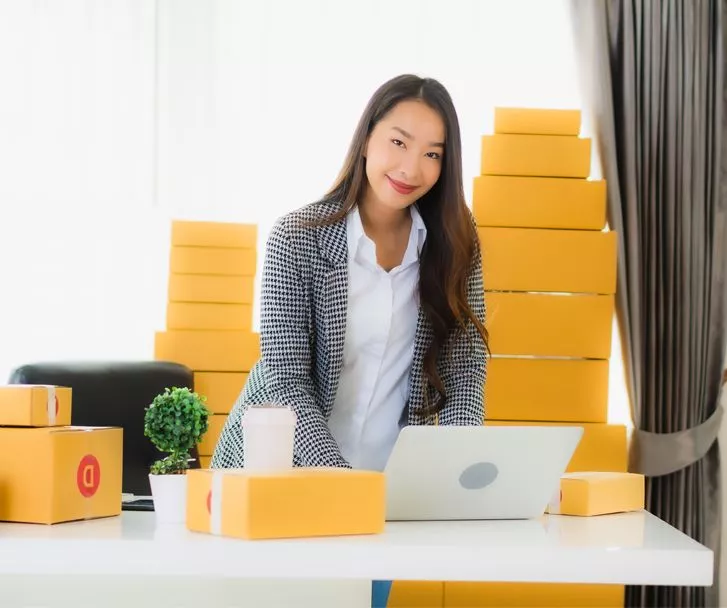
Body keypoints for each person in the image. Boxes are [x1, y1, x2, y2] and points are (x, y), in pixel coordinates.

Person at [211, 73, 488, 471]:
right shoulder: (296, 238)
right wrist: (341, 482)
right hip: (279, 468)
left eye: (432, 154)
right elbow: (285, 381)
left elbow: (464, 369)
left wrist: (456, 473)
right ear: (366, 139)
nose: (411, 168)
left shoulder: (456, 241)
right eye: (399, 142)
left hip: (389, 483)